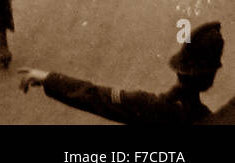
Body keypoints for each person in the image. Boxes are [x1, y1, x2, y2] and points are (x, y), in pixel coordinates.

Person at [19, 22, 223, 124]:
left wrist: (49, 79)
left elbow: (95, 96)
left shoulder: (153, 107)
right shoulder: (209, 118)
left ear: (179, 72)